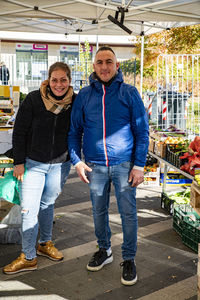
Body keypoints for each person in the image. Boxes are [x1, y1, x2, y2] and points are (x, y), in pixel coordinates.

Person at [68, 46, 149, 286]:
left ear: (117, 66)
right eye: (100, 62)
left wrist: (139, 166)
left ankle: (129, 258)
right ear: (94, 66)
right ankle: (105, 250)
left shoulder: (129, 92)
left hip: (124, 165)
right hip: (95, 167)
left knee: (128, 214)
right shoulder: (84, 95)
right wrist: (77, 161)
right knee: (98, 211)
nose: (104, 66)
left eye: (109, 62)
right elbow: (74, 131)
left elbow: (142, 132)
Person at [3, 62, 76, 275]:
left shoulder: (75, 102)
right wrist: (18, 162)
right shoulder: (34, 99)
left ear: (69, 81)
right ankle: (28, 256)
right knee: (28, 209)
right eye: (55, 79)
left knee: (48, 205)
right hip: (33, 164)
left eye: (63, 80)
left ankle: (45, 243)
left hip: (60, 165)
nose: (59, 84)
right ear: (48, 79)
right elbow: (19, 131)